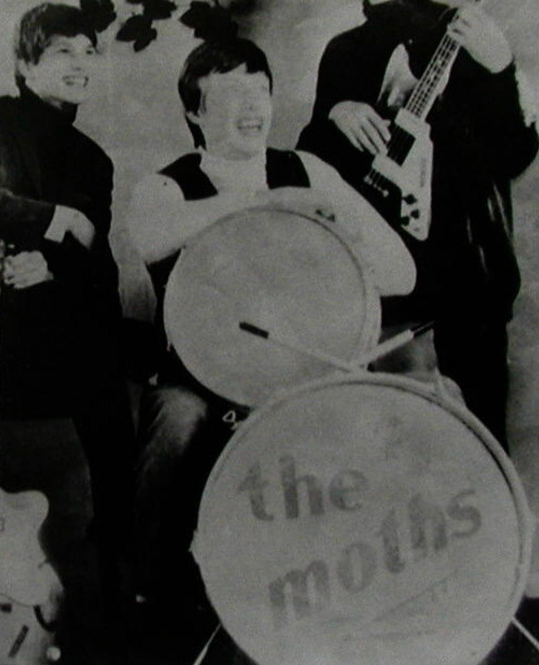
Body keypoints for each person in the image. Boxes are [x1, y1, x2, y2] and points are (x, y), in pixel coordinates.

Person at [126, 37, 415, 663]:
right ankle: (153, 600)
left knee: (378, 429)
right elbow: (150, 240)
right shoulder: (165, 186)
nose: (253, 107)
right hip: (201, 376)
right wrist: (265, 202)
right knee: (174, 426)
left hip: (300, 373)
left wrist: (341, 235)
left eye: (260, 91)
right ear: (195, 111)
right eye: (232, 94)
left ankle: (359, 603)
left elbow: (401, 272)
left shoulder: (309, 170)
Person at [0, 1, 142, 658]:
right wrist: (53, 221)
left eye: (88, 51)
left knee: (109, 417)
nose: (80, 63)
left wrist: (56, 266)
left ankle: (104, 621)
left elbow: (97, 268)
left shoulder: (93, 160)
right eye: (62, 50)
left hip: (53, 353)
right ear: (25, 63)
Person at [296, 0, 539, 450]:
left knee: (479, 437)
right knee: (380, 436)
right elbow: (310, 165)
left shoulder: (466, 32)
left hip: (465, 268)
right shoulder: (342, 51)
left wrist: (500, 67)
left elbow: (515, 154)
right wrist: (335, 114)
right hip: (378, 267)